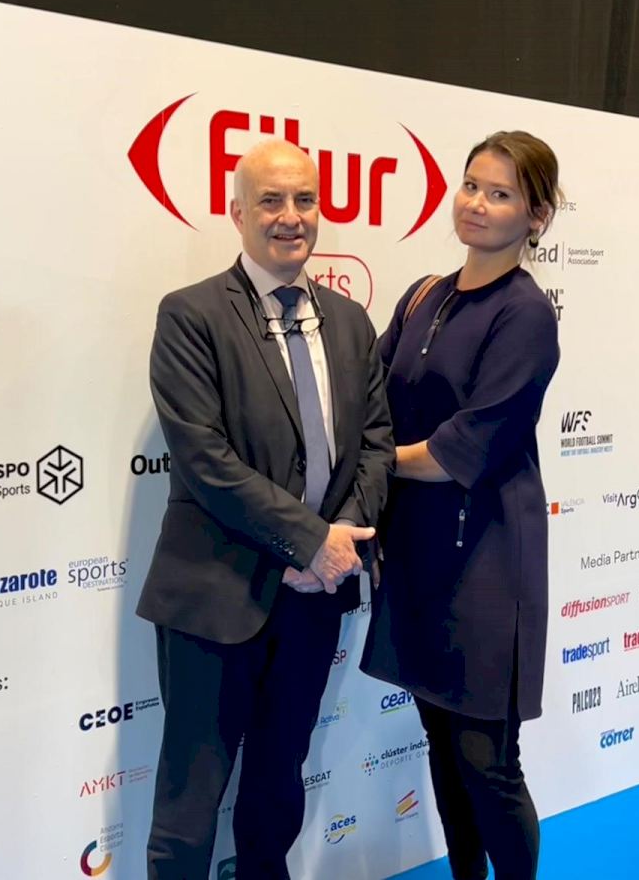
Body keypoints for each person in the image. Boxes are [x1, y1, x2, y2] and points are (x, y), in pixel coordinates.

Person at [137, 138, 394, 879]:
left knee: (279, 783)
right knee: (190, 806)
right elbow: (204, 458)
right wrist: (309, 542)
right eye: (271, 201)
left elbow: (376, 446)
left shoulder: (350, 322)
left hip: (313, 600)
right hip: (216, 594)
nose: (291, 217)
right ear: (237, 212)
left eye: (305, 199)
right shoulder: (190, 315)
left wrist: (335, 547)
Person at [362, 131, 561, 880]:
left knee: (487, 759)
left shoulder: (526, 314)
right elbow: (371, 398)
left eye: (500, 193)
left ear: (536, 216)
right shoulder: (425, 294)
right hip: (418, 554)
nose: (477, 203)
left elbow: (460, 449)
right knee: (442, 747)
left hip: (487, 560)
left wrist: (374, 461)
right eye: (471, 185)